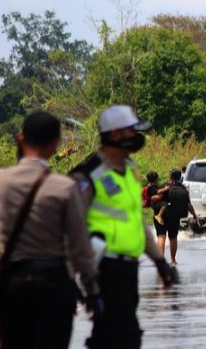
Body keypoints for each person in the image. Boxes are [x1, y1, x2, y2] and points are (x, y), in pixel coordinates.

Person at [0, 111, 101, 349]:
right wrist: (91, 291)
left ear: (21, 138)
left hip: (13, 285)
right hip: (54, 286)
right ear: (56, 143)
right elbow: (80, 247)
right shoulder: (64, 188)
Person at [69, 104, 178, 349]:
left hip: (128, 269)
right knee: (125, 337)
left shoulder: (129, 170)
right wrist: (88, 286)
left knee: (110, 337)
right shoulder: (87, 176)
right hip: (103, 270)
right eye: (132, 131)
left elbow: (136, 219)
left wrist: (159, 262)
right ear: (116, 134)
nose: (138, 137)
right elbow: (73, 232)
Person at [154, 168, 198, 266]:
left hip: (161, 214)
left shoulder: (165, 186)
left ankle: (161, 261)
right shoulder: (183, 188)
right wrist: (195, 216)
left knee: (161, 236)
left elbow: (156, 197)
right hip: (174, 215)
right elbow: (188, 205)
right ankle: (173, 260)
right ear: (180, 177)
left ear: (170, 176)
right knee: (173, 237)